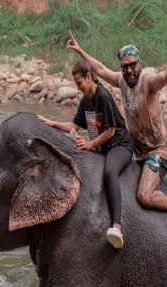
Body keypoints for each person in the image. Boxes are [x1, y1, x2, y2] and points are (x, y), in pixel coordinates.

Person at [66, 29, 167, 235]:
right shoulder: (121, 81)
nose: (129, 71)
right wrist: (80, 50)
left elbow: (166, 75)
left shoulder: (149, 83)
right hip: (136, 153)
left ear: (140, 63)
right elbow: (99, 69)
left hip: (157, 153)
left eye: (133, 65)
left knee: (144, 196)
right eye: (125, 66)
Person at [37, 60, 133, 248]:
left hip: (119, 145)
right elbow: (74, 126)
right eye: (76, 84)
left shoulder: (103, 97)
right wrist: (51, 123)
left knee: (109, 172)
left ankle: (116, 225)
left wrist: (90, 144)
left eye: (80, 83)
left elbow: (111, 130)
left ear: (89, 77)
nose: (78, 87)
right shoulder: (85, 101)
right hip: (102, 147)